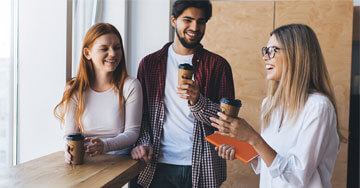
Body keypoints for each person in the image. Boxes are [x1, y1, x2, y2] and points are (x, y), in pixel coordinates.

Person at [211, 24, 344, 188]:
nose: (266, 57)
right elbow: (270, 165)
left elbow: (297, 177)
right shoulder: (270, 104)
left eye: (273, 50)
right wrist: (243, 147)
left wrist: (254, 138)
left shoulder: (318, 107)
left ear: (297, 55)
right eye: (265, 51)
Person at [130, 0, 235, 187]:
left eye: (201, 21)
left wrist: (197, 101)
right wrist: (143, 143)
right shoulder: (150, 64)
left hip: (202, 164)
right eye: (187, 20)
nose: (195, 27)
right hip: (156, 164)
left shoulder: (218, 65)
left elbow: (227, 122)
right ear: (173, 21)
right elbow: (142, 114)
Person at [54, 23, 143, 162]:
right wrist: (68, 148)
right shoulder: (73, 89)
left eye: (117, 48)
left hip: (119, 163)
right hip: (84, 162)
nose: (113, 53)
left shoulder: (130, 85)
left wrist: (105, 145)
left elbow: (132, 133)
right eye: (104, 49)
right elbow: (70, 134)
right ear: (87, 53)